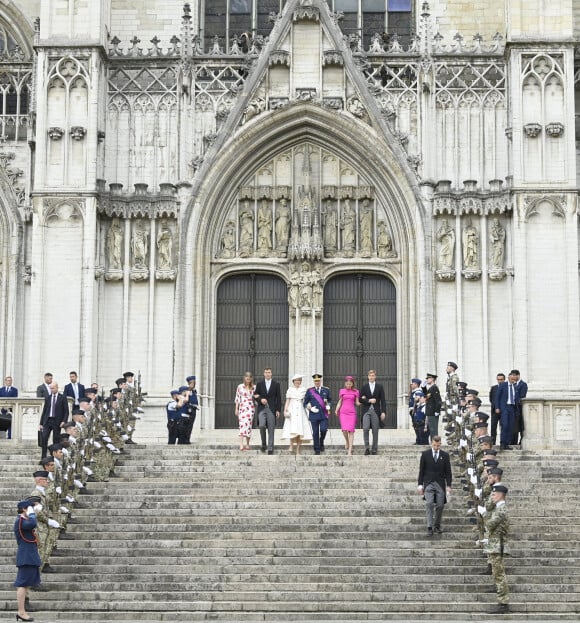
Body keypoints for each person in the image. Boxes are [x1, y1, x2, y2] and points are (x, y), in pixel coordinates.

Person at [482, 484, 511, 614]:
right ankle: (502, 602)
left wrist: (484, 513)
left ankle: (503, 603)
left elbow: (489, 524)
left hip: (498, 546)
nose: (492, 496)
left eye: (494, 494)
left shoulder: (501, 510)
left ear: (500, 495)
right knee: (497, 574)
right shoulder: (498, 509)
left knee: (499, 575)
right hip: (494, 545)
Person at [417, 435, 452, 536]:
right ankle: (429, 527)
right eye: (434, 445)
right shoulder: (425, 454)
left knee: (440, 505)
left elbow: (448, 472)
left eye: (438, 445)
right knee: (429, 503)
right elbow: (421, 471)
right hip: (429, 483)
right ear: (431, 443)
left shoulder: (445, 455)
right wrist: (420, 484)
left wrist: (448, 485)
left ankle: (437, 525)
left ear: (440, 444)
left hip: (440, 484)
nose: (436, 447)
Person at [14, 498, 42, 622]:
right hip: (26, 557)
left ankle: (22, 611)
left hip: (30, 556)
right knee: (22, 584)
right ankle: (21, 612)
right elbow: (32, 524)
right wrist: (31, 513)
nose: (31, 510)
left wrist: (33, 513)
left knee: (25, 584)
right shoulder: (20, 521)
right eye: (29, 507)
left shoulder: (24, 520)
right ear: (24, 509)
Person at [254, 368, 282, 455]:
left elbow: (279, 398)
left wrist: (278, 410)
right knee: (261, 425)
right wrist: (260, 399)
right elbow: (255, 395)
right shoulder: (259, 384)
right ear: (264, 374)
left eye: (269, 372)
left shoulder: (276, 384)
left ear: (271, 373)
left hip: (272, 409)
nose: (267, 374)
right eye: (266, 372)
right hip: (262, 409)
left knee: (271, 428)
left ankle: (270, 447)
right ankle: (263, 444)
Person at [282, 374, 312, 454]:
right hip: (292, 410)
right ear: (293, 382)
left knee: (300, 430)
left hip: (301, 412)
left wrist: (309, 406)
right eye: (296, 381)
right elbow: (287, 401)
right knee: (292, 428)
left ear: (301, 382)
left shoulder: (303, 390)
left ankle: (298, 449)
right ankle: (291, 445)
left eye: (299, 380)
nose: (297, 382)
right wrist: (285, 411)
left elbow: (306, 401)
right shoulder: (290, 390)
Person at [38, 382, 70, 458]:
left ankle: (54, 456)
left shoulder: (62, 397)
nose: (51, 390)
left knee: (55, 439)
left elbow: (66, 411)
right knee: (44, 438)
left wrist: (64, 421)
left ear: (57, 388)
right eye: (50, 388)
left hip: (57, 421)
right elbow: (44, 411)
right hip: (48, 421)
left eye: (53, 388)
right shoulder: (48, 398)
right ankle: (43, 457)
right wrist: (41, 423)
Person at [359, 370, 387, 455]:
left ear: (375, 377)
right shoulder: (364, 387)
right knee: (365, 428)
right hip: (366, 411)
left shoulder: (379, 386)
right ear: (368, 377)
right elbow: (360, 399)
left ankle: (374, 449)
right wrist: (368, 400)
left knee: (375, 430)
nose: (371, 377)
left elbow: (383, 400)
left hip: (376, 411)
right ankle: (367, 448)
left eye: (373, 375)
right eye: (370, 375)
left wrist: (383, 412)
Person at [303, 373, 332, 455]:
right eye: (316, 381)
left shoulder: (326, 390)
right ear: (314, 382)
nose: (317, 382)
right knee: (315, 432)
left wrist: (329, 406)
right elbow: (305, 403)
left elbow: (330, 400)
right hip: (314, 415)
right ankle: (317, 449)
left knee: (323, 430)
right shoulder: (310, 391)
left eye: (318, 381)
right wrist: (309, 407)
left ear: (320, 381)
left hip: (323, 414)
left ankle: (321, 440)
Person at [335, 375, 360, 456]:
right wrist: (336, 409)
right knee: (344, 430)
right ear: (345, 384)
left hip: (352, 413)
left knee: (351, 431)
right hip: (343, 412)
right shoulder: (342, 391)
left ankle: (350, 451)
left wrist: (364, 401)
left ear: (352, 384)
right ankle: (347, 441)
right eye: (347, 384)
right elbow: (340, 401)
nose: (348, 385)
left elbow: (357, 403)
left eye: (350, 384)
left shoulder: (356, 392)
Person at [235, 372, 255, 451]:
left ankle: (247, 444)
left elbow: (257, 396)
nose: (248, 378)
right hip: (242, 408)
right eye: (246, 377)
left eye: (249, 377)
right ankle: (241, 445)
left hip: (250, 408)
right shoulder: (240, 386)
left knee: (249, 426)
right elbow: (237, 398)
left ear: (251, 379)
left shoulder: (254, 387)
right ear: (244, 378)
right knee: (242, 425)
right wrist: (236, 408)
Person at [422, 373, 442, 441]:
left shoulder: (434, 388)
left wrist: (437, 411)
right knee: (431, 429)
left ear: (432, 379)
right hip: (430, 412)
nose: (427, 380)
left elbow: (438, 401)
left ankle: (435, 444)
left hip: (433, 412)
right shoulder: (431, 388)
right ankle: (433, 443)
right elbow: (427, 396)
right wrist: (423, 387)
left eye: (428, 378)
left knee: (433, 430)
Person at [511, 369, 527, 445]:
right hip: (512, 409)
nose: (513, 377)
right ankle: (513, 441)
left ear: (518, 375)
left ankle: (521, 441)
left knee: (520, 425)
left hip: (519, 408)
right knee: (514, 425)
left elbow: (522, 396)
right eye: (512, 376)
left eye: (514, 375)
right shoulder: (511, 385)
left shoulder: (523, 384)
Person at [489, 373, 506, 445]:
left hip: (503, 411)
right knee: (493, 426)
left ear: (504, 380)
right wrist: (495, 406)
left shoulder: (507, 387)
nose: (500, 381)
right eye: (498, 380)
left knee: (503, 426)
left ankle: (503, 442)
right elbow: (491, 398)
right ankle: (493, 442)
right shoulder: (494, 388)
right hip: (494, 410)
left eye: (501, 379)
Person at [0, 375, 18, 439]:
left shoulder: (15, 390)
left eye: (10, 380)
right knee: (2, 422)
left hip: (10, 410)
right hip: (2, 409)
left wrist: (8, 407)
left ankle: (10, 437)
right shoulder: (1, 389)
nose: (9, 382)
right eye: (8, 380)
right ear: (5, 381)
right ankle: (2, 436)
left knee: (10, 422)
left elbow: (15, 399)